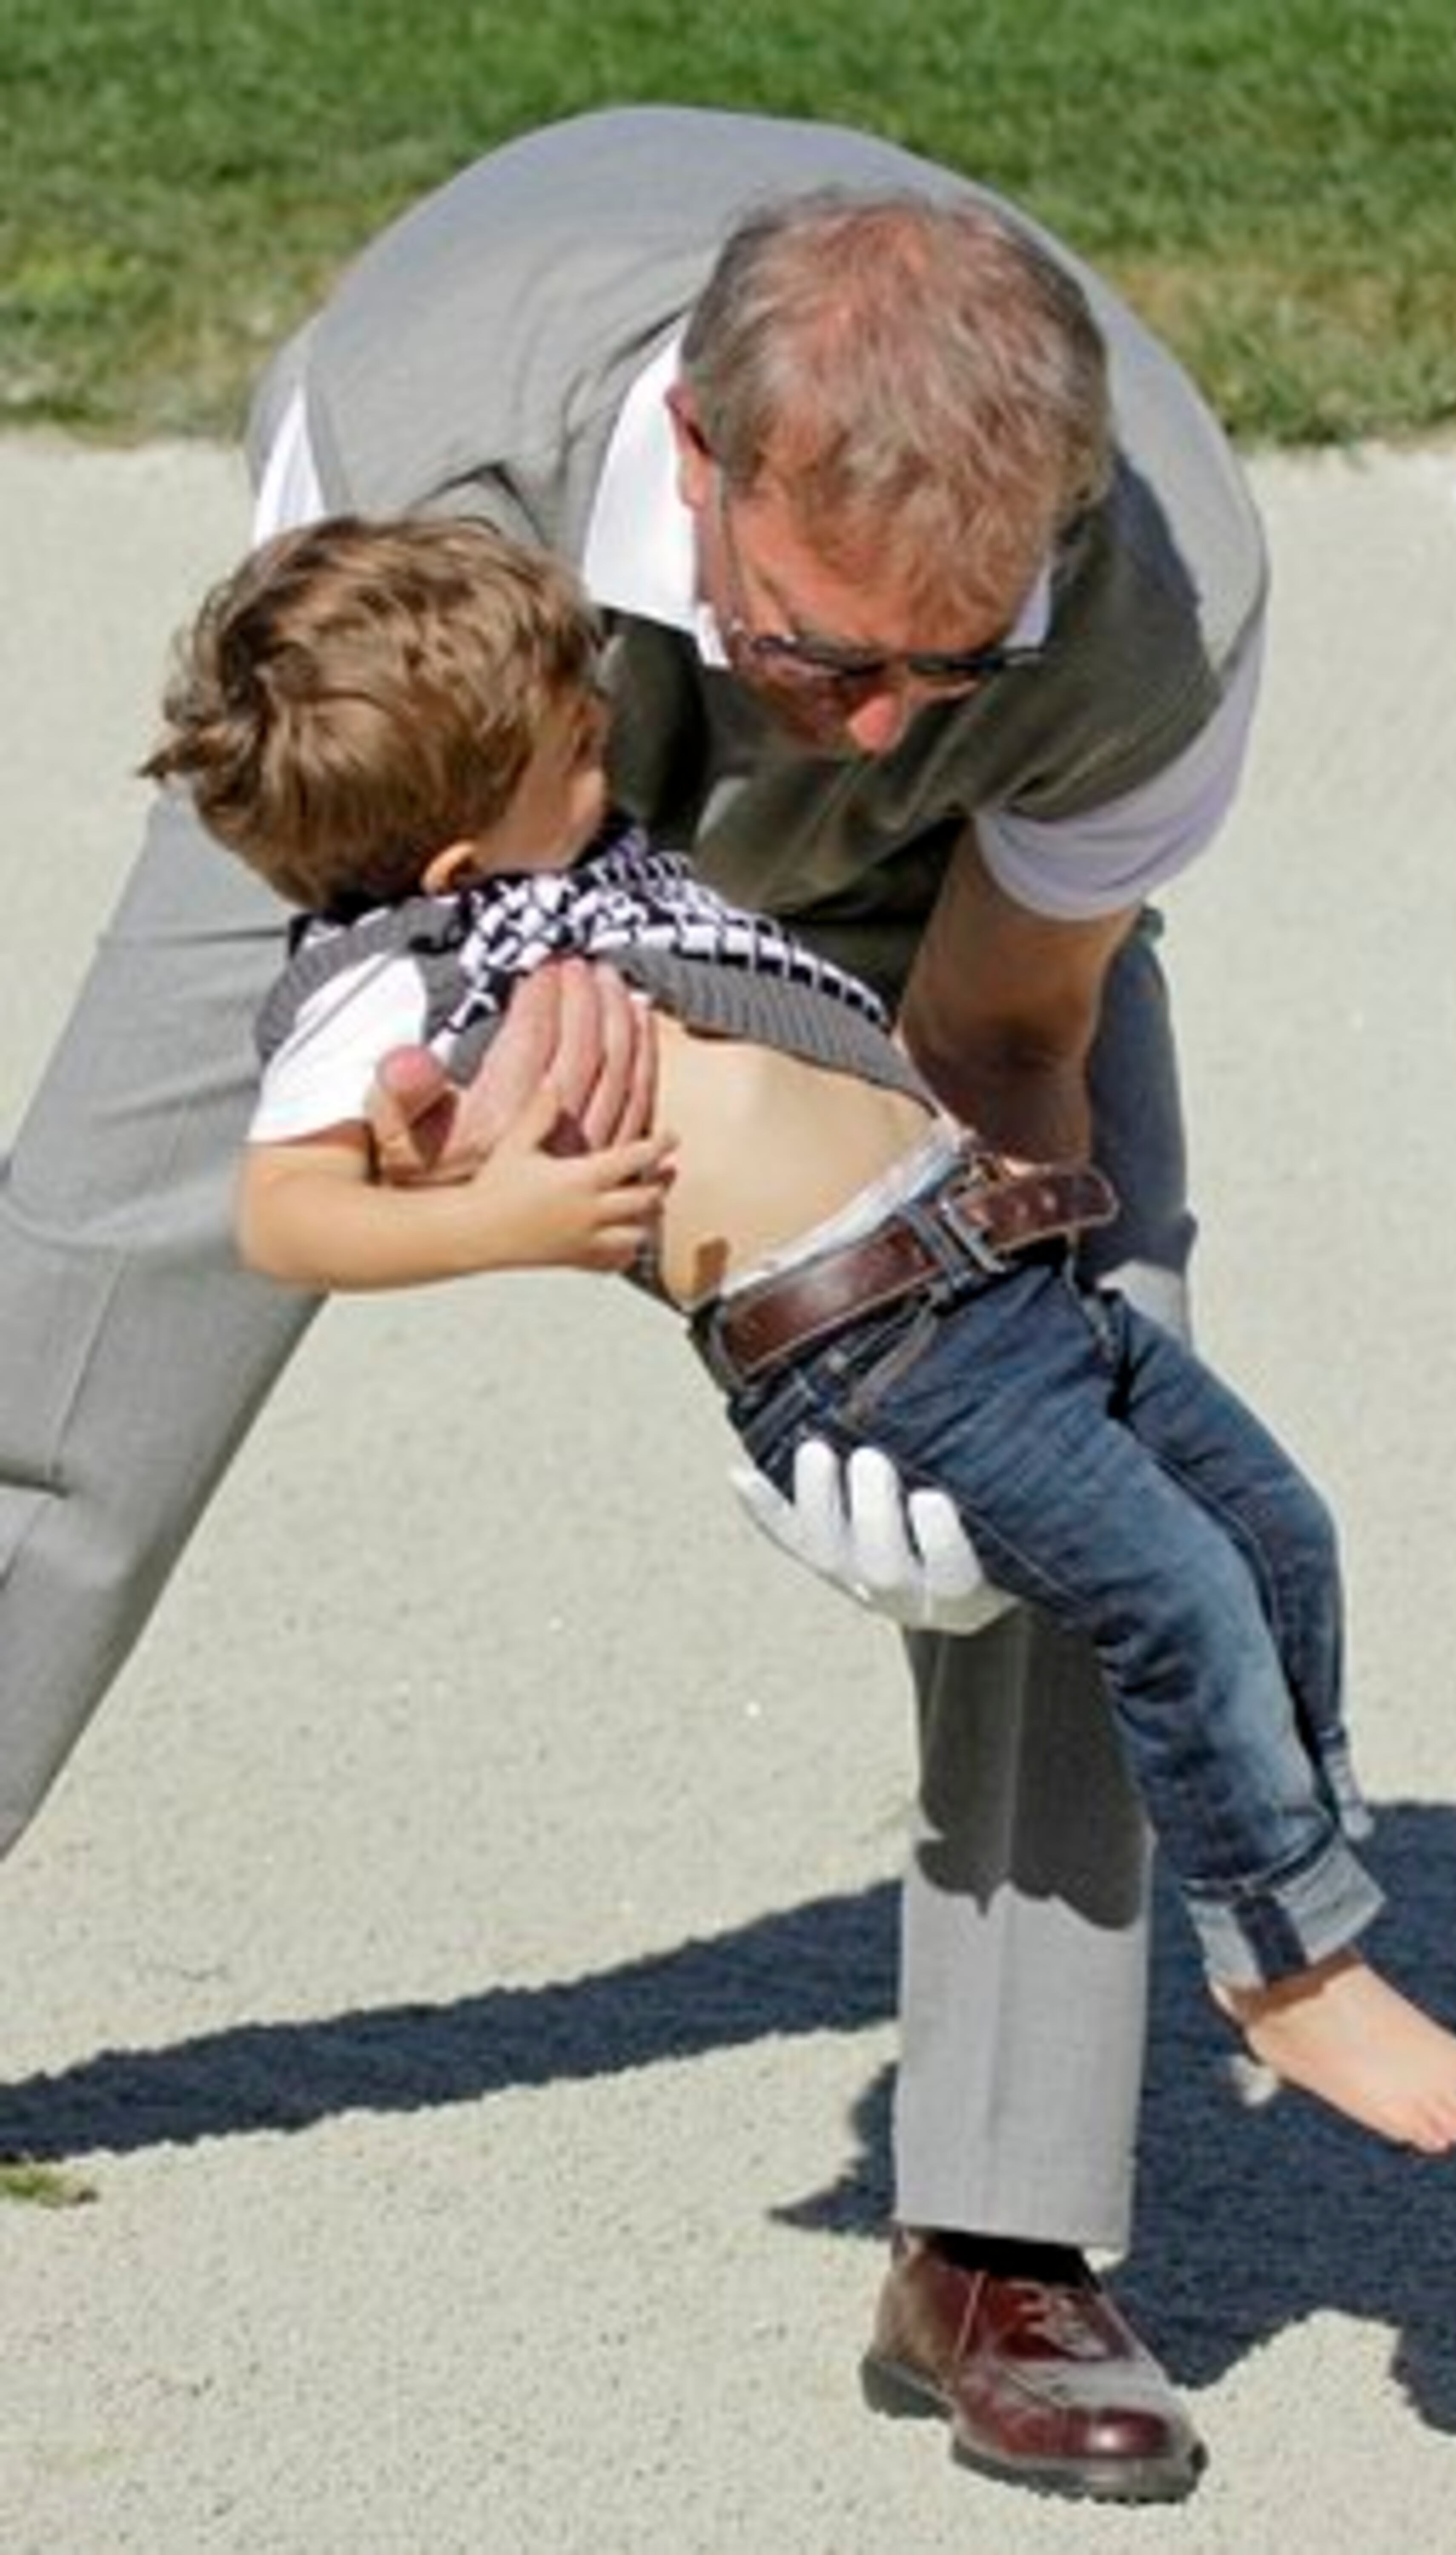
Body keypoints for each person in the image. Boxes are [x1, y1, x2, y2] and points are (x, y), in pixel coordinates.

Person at [3, 106, 1284, 2500]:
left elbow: (1012, 1036)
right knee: (74, 1295)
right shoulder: (424, 437)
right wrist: (541, 1044)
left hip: (927, 910)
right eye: (830, 647)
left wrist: (902, 1334)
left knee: (1087, 1406)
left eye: (951, 655)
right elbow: (366, 924)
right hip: (437, 752)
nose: (880, 708)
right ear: (696, 457)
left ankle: (1001, 2237)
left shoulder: (1148, 598)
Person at [148, 508, 1456, 2203]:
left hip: (996, 1270)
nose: (609, 745)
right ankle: (1291, 1972)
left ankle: (1309, 1875)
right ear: (451, 857)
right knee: (1172, 1589)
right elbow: (283, 1214)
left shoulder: (574, 873)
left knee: (1276, 1527)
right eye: (573, 748)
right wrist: (505, 1212)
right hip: (875, 1348)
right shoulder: (392, 985)